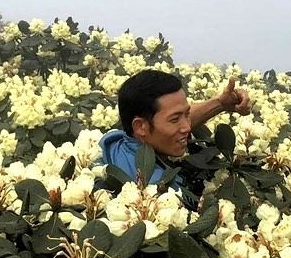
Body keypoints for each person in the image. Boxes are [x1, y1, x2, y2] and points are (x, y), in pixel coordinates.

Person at [99, 68, 252, 185]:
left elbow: (167, 118)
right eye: (174, 120)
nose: (187, 127)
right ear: (140, 126)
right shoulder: (158, 187)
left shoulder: (112, 142)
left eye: (186, 114)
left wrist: (221, 103)